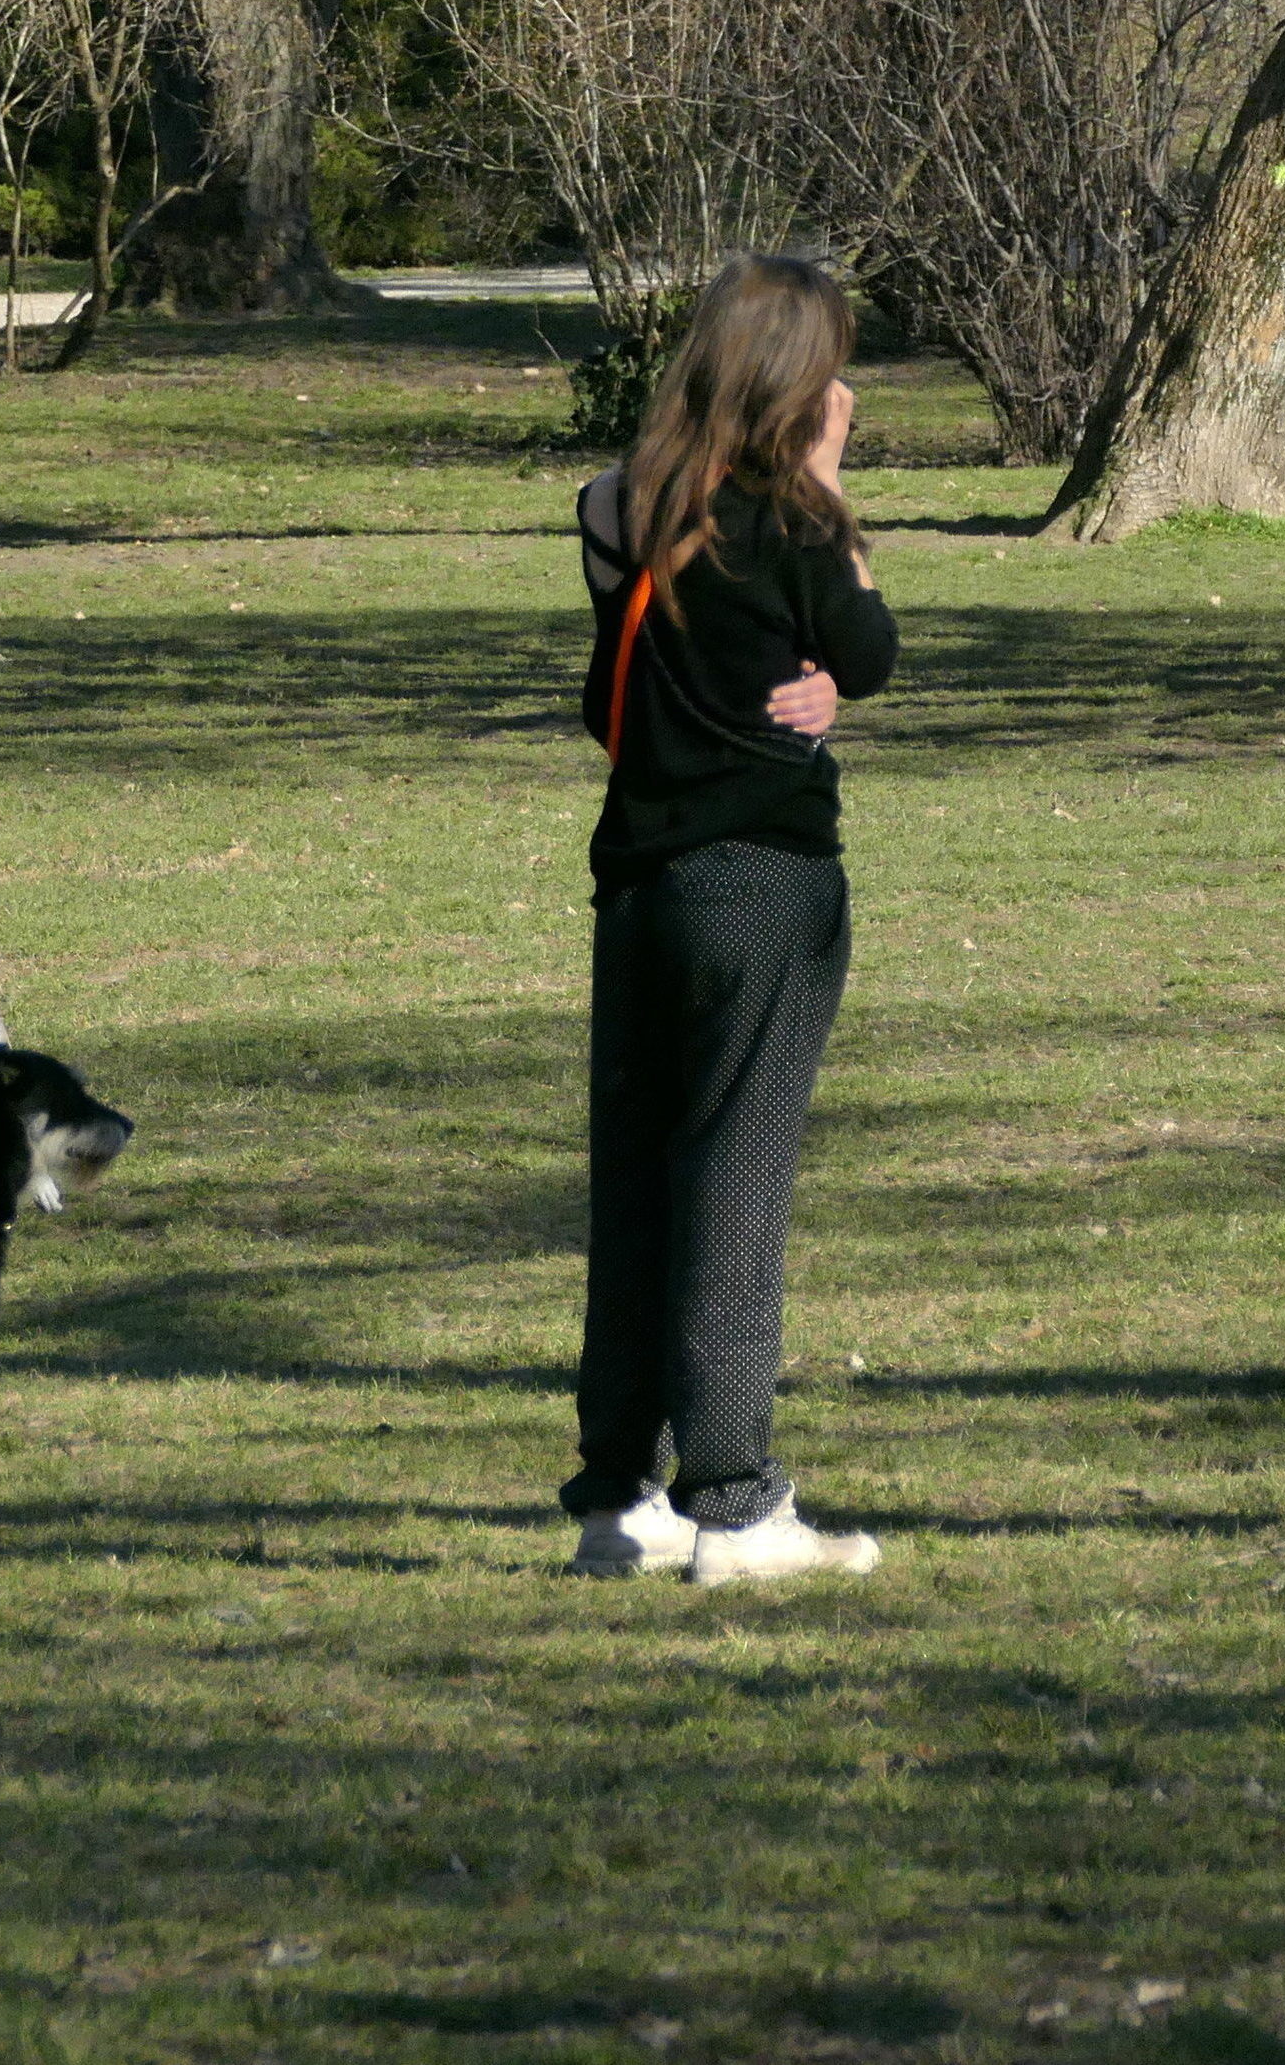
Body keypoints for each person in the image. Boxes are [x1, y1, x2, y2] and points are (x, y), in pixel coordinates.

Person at [561, 258, 896, 1582]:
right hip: (761, 889)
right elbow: (865, 657)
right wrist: (830, 484)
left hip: (639, 892)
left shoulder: (617, 502)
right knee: (733, 1188)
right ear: (796, 382)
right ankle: (737, 1504)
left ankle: (613, 1495)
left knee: (637, 1185)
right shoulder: (799, 522)